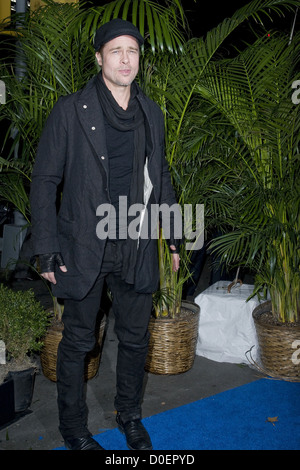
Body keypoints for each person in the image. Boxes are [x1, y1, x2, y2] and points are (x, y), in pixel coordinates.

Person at [30, 18, 181, 451]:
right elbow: (44, 182)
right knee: (79, 341)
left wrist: (173, 235)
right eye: (115, 51)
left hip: (134, 243)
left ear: (139, 60)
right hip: (84, 244)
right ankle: (75, 429)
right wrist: (46, 250)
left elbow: (161, 176)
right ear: (99, 58)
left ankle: (130, 417)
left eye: (132, 51)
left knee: (135, 339)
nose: (125, 59)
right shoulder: (71, 110)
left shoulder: (151, 113)